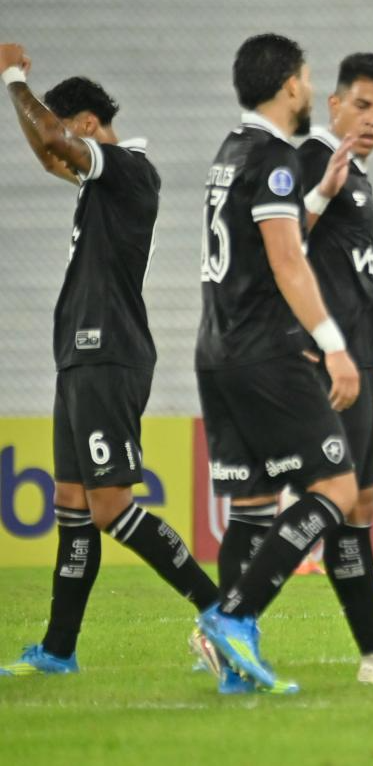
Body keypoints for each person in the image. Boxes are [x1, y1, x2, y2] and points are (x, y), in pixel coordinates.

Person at [0, 47, 219, 678]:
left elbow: (53, 142)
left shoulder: (128, 169)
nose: (58, 146)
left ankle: (222, 613)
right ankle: (58, 650)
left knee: (110, 507)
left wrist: (13, 80)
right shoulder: (99, 179)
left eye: (67, 129)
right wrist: (29, 108)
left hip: (107, 351)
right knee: (72, 505)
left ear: (89, 125)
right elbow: (49, 150)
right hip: (79, 356)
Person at [194, 33, 362, 693]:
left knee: (253, 505)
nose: (309, 89)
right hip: (265, 351)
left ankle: (236, 665)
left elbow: (262, 239)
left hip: (218, 350)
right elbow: (287, 262)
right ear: (290, 84)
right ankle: (233, 617)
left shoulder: (230, 152)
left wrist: (316, 198)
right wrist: (333, 345)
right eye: (307, 79)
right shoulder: (275, 157)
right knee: (336, 489)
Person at [293, 52, 373, 682]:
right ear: (335, 103)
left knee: (359, 507)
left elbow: (350, 284)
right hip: (326, 368)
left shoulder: (359, 176)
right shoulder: (314, 160)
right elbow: (279, 245)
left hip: (362, 368)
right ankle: (229, 617)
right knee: (334, 499)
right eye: (363, 106)